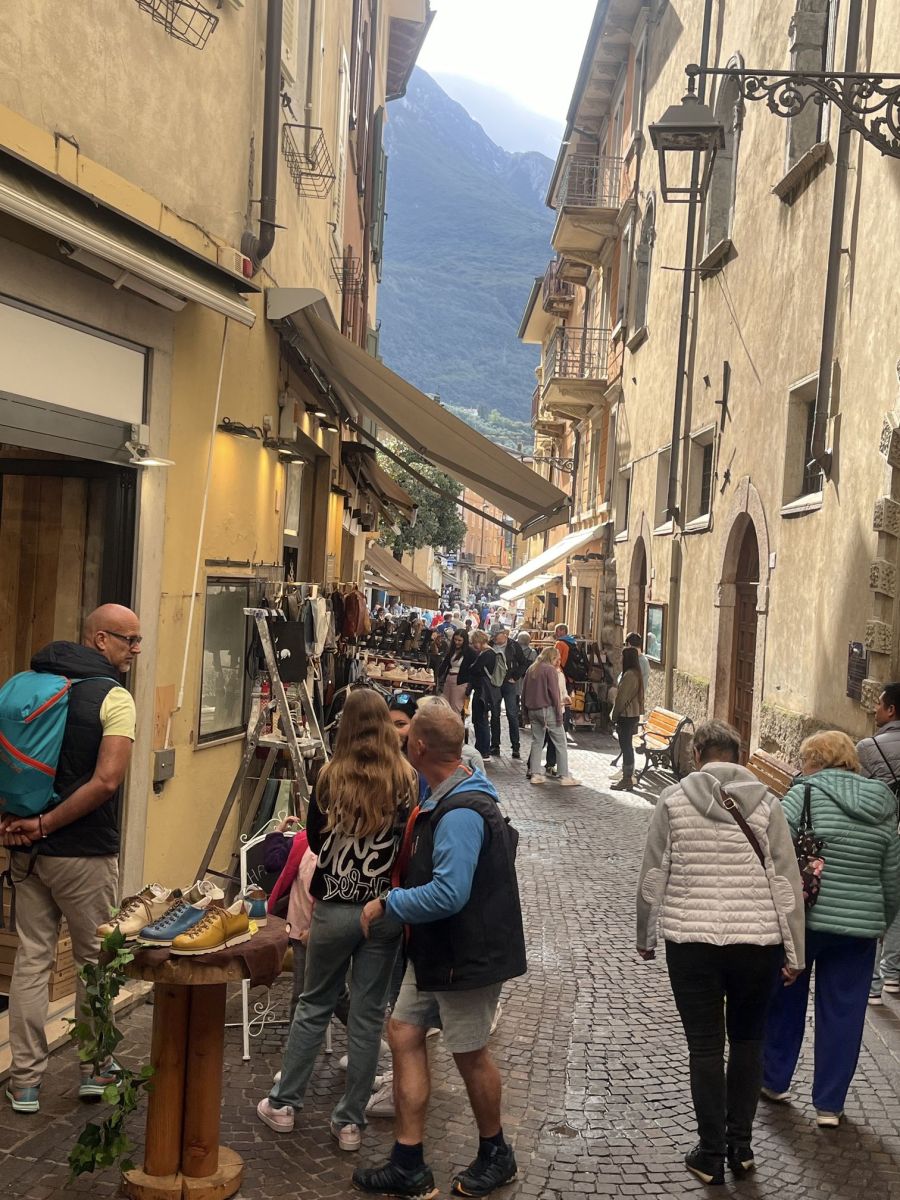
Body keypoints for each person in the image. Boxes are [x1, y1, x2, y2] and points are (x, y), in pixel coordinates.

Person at [353, 706, 525, 1198]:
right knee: (404, 1032)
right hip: (438, 950)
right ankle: (408, 1163)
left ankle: (497, 1153)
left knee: (470, 1055)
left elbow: (450, 893)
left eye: (408, 735)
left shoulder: (462, 812)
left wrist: (390, 902)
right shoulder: (445, 794)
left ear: (420, 747)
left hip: (466, 957)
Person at [636, 719, 805, 1185]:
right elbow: (786, 882)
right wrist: (795, 952)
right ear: (739, 756)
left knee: (705, 1046)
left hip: (691, 945)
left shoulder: (673, 800)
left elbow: (654, 873)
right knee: (749, 1041)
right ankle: (741, 1147)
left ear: (697, 756)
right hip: (757, 945)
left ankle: (710, 1153)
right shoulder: (768, 804)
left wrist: (645, 936)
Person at [257, 691, 417, 1150]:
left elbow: (315, 840)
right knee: (366, 1018)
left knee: (314, 1004)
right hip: (381, 909)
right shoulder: (405, 779)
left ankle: (284, 1104)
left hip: (333, 906)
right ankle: (349, 1123)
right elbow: (407, 843)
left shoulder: (329, 776)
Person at [1, 604, 140, 1114]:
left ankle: (24, 1082)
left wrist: (23, 821)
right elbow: (106, 781)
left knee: (32, 959)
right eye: (128, 639)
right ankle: (94, 1067)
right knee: (95, 961)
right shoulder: (114, 697)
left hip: (28, 852)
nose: (136, 649)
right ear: (100, 639)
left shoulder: (28, 685)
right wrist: (46, 824)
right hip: (83, 852)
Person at [761, 731, 900, 1129]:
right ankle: (830, 1104)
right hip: (859, 930)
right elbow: (892, 876)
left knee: (785, 1000)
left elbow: (774, 857)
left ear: (814, 761)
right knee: (844, 1013)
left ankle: (775, 1080)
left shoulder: (800, 796)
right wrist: (880, 921)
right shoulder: (882, 804)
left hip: (804, 921)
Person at [857, 682, 900, 1004]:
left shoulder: (868, 747)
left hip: (884, 832)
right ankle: (894, 973)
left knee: (875, 898)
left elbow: (860, 792)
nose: (875, 709)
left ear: (891, 710)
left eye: (879, 704)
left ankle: (872, 984)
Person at [522, 648, 580, 788]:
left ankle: (535, 774)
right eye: (557, 658)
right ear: (552, 658)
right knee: (561, 743)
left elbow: (523, 693)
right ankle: (564, 776)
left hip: (533, 710)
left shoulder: (532, 669)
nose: (558, 662)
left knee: (537, 742)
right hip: (547, 710)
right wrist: (559, 715)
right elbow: (554, 694)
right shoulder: (550, 670)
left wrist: (524, 714)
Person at [488, 629, 526, 760]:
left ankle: (515, 747)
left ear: (504, 636)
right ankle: (495, 745)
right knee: (495, 714)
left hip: (509, 683)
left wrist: (515, 677)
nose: (494, 638)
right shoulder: (491, 645)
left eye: (496, 636)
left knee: (512, 714)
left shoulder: (514, 646)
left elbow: (523, 663)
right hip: (495, 683)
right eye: (493, 636)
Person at [611, 646, 644, 792]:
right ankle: (627, 778)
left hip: (627, 715)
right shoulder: (636, 673)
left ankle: (627, 778)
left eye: (622, 656)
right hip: (632, 714)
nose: (620, 659)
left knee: (626, 747)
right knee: (627, 746)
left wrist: (614, 715)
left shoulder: (630, 675)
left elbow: (621, 698)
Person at [468, 631, 497, 762]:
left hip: (483, 691)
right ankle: (481, 748)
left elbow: (473, 669)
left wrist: (472, 666)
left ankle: (483, 750)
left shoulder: (486, 654)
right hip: (484, 690)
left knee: (481, 720)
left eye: (474, 643)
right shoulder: (490, 653)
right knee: (480, 719)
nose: (474, 646)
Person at [438, 630, 476, 716]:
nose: (457, 642)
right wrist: (437, 678)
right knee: (445, 706)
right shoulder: (452, 650)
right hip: (449, 679)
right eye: (455, 639)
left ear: (464, 641)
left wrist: (469, 686)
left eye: (459, 640)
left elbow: (474, 671)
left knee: (455, 707)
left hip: (460, 682)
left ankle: (455, 724)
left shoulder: (471, 652)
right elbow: (444, 664)